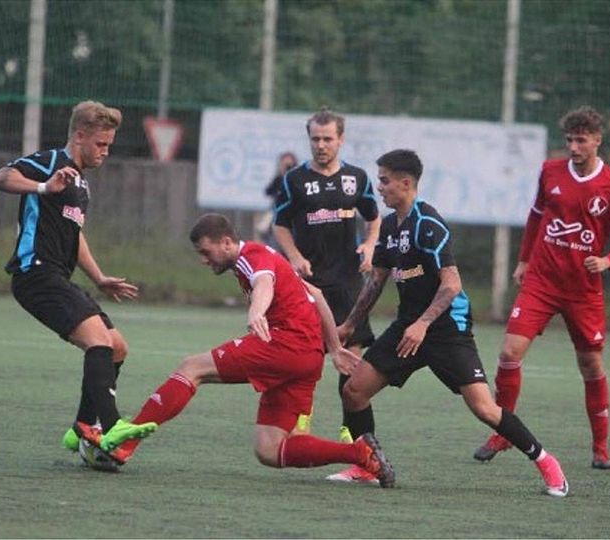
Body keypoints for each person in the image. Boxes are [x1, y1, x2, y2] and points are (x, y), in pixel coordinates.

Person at [88, 213, 395, 487]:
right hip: (308, 356)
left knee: (192, 368)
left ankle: (124, 444)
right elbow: (315, 294)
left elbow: (264, 284)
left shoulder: (252, 256)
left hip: (284, 344)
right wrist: (335, 347)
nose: (204, 260)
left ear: (226, 242)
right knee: (270, 449)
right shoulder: (266, 256)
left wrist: (256, 312)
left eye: (206, 252)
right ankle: (360, 452)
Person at [337, 149, 569, 497]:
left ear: (406, 183)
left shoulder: (428, 223)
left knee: (484, 408)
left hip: (446, 328)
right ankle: (367, 465)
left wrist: (424, 324)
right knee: (354, 391)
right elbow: (376, 282)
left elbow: (452, 284)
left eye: (384, 181)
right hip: (408, 326)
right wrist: (349, 326)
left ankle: (548, 464)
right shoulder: (388, 226)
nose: (379, 187)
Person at [473, 106, 610, 470]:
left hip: (583, 289)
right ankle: (503, 432)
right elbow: (536, 216)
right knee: (509, 353)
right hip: (542, 281)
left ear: (597, 141)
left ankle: (600, 447)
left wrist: (607, 261)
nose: (574, 147)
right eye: (569, 140)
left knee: (590, 365)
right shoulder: (550, 171)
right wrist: (523, 260)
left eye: (581, 140)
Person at [0, 100, 158, 469]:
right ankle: (110, 426)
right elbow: (0, 178)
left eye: (109, 145)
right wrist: (43, 187)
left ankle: (82, 425)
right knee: (97, 342)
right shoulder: (50, 163)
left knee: (116, 347)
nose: (105, 151)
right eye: (101, 144)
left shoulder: (81, 184)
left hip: (57, 277)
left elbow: (73, 235)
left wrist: (98, 277)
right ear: (79, 135)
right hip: (34, 274)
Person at [272, 107, 382, 484]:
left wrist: (369, 245)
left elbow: (374, 216)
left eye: (327, 139)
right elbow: (280, 224)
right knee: (307, 356)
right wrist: (295, 257)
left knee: (352, 362)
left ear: (340, 139)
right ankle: (300, 423)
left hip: (349, 283)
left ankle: (352, 435)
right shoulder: (295, 180)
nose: (321, 145)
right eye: (315, 139)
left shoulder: (357, 178)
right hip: (310, 282)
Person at [254, 151, 298, 244]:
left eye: (290, 165)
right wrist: (281, 175)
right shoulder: (278, 180)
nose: (287, 168)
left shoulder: (297, 180)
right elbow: (268, 191)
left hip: (294, 220)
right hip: (277, 219)